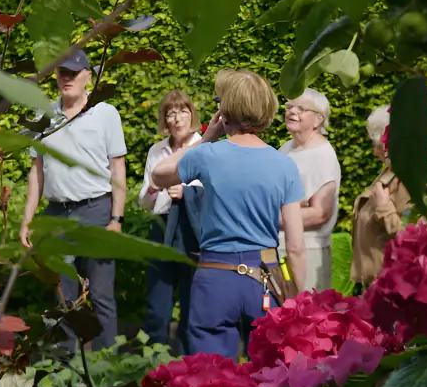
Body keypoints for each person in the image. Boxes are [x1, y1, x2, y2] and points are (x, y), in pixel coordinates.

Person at [151, 70, 306, 359]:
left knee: (212, 380)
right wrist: (295, 297)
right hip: (265, 276)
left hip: (215, 277)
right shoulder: (284, 165)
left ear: (225, 110)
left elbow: (159, 176)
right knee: (273, 379)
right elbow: (295, 247)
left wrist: (207, 137)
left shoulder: (207, 155)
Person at [20, 49, 127, 350]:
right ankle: (66, 371)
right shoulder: (43, 115)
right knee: (63, 295)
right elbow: (36, 172)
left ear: (88, 77)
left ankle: (107, 367)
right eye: (61, 73)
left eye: (73, 73)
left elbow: (118, 168)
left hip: (96, 210)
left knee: (102, 294)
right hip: (56, 215)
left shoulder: (105, 113)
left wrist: (116, 218)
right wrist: (28, 219)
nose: (66, 78)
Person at [140, 91, 202, 350]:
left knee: (192, 301)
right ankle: (153, 361)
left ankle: (190, 362)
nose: (178, 119)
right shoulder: (157, 150)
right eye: (171, 113)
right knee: (157, 301)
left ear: (192, 114)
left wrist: (187, 191)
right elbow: (144, 200)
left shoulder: (204, 146)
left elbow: (217, 192)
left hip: (193, 230)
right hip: (162, 226)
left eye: (183, 112)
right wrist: (154, 190)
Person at [278, 89, 341, 292]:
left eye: (301, 108)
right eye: (289, 107)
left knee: (305, 315)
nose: (292, 112)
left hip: (308, 251)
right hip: (280, 247)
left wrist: (268, 215)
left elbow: (319, 213)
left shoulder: (322, 155)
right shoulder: (287, 148)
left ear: (318, 120)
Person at [350, 105, 412, 287]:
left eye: (375, 141)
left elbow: (412, 233)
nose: (375, 151)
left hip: (395, 283)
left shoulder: (412, 178)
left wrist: (384, 206)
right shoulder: (390, 170)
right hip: (377, 280)